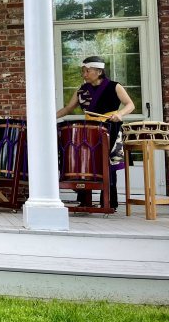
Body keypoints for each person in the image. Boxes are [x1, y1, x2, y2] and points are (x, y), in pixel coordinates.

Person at [56, 56, 135, 209]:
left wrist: (119, 114)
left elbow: (130, 104)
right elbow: (67, 109)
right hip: (89, 128)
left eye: (87, 71)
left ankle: (109, 203)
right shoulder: (81, 90)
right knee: (86, 163)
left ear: (99, 71)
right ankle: (85, 200)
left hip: (110, 127)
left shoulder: (114, 86)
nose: (84, 74)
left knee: (107, 164)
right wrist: (50, 116)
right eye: (83, 71)